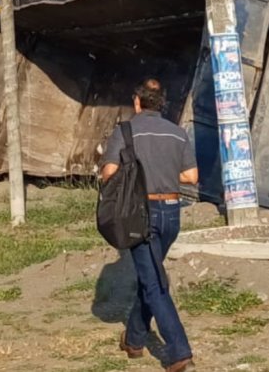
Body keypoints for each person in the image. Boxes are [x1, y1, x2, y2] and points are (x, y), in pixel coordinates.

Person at [100, 79, 198, 372]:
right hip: (172, 214)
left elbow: (109, 174)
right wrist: (165, 174)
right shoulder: (178, 134)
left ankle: (180, 353)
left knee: (154, 283)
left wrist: (134, 178)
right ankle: (133, 340)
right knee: (151, 275)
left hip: (141, 214)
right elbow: (191, 177)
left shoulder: (125, 131)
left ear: (137, 103)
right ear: (161, 105)